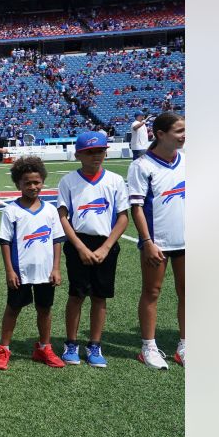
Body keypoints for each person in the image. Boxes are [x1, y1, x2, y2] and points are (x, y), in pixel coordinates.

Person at [56, 131, 129, 368]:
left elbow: (122, 218)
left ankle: (95, 345)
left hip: (105, 246)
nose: (95, 155)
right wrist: (79, 246)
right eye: (89, 152)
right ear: (78, 154)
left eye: (99, 150)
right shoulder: (68, 181)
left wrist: (107, 247)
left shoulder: (115, 180)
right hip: (78, 244)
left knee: (100, 296)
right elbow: (63, 217)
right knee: (76, 295)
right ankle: (71, 343)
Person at [0, 156, 66, 370]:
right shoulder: (11, 211)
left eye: (37, 182)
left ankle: (44, 347)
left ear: (43, 181)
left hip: (45, 272)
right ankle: (3, 349)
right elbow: (5, 242)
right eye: (27, 183)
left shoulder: (50, 210)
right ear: (18, 184)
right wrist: (9, 271)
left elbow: (57, 241)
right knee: (13, 309)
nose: (33, 186)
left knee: (45, 309)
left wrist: (56, 268)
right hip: (20, 273)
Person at [127, 111, 185, 369]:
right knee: (152, 291)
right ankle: (148, 346)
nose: (184, 136)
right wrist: (147, 241)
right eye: (179, 131)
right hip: (156, 242)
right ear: (160, 134)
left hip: (187, 239)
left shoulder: (187, 160)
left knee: (188, 293)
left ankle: (185, 345)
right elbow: (137, 207)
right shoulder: (142, 165)